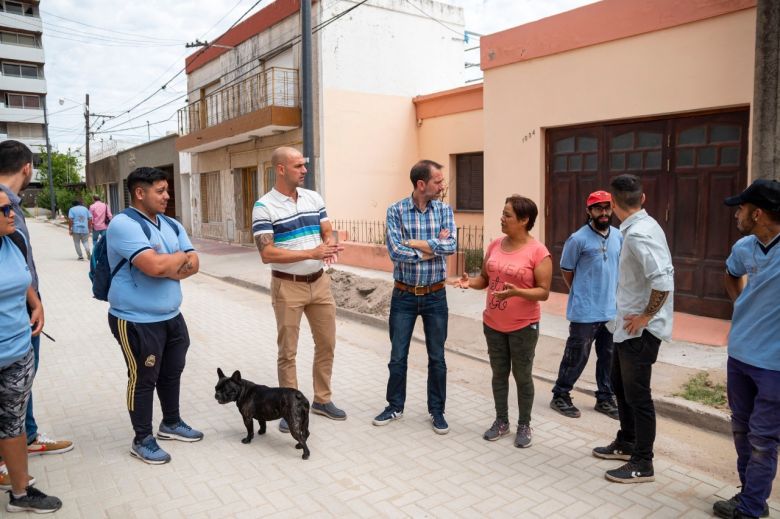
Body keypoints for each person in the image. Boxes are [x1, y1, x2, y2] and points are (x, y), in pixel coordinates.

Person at [106, 167, 202, 465]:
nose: (166, 196)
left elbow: (195, 263)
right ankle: (142, 439)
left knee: (172, 371)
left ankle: (170, 423)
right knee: (143, 378)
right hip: (135, 320)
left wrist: (168, 261)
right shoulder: (123, 225)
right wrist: (175, 261)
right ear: (139, 192)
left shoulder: (171, 224)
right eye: (160, 191)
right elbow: (154, 267)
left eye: (166, 190)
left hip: (172, 315)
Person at [252, 147, 346, 433]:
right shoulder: (264, 206)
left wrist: (327, 244)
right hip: (287, 287)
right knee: (288, 352)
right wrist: (311, 251)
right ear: (281, 169)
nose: (304, 170)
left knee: (327, 343)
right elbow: (267, 253)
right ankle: (288, 406)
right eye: (297, 166)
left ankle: (322, 400)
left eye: (304, 165)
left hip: (319, 283)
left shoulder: (313, 198)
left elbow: (326, 228)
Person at [592, 174, 674, 484]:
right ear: (644, 198)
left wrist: (645, 317)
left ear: (612, 205)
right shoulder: (640, 227)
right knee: (619, 384)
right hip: (625, 327)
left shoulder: (640, 234)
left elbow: (662, 280)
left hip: (640, 332)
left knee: (638, 395)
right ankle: (626, 442)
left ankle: (643, 462)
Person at [0, 140, 73, 483]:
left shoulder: (11, 206)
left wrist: (35, 300)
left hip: (24, 309)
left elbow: (18, 259)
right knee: (12, 388)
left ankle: (26, 439)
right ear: (27, 167)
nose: (9, 215)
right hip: (10, 318)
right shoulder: (3, 203)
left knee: (21, 384)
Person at [453, 195, 551, 447]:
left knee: (522, 376)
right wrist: (469, 282)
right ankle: (501, 421)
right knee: (499, 374)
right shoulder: (495, 245)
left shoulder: (538, 252)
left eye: (507, 215)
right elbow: (485, 279)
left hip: (523, 326)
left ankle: (524, 425)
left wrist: (517, 292)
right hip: (493, 324)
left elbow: (543, 291)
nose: (502, 218)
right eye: (503, 213)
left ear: (524, 220)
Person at [712, 179, 780, 519]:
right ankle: (750, 496)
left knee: (763, 440)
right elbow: (731, 274)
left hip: (774, 367)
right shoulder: (744, 248)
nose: (736, 213)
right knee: (742, 432)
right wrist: (742, 306)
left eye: (741, 208)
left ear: (759, 213)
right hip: (739, 357)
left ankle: (751, 510)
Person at [373, 159, 456, 435]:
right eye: (437, 181)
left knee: (437, 358)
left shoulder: (444, 210)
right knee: (398, 356)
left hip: (436, 296)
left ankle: (437, 411)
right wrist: (433, 247)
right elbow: (396, 252)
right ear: (422, 184)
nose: (442, 185)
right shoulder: (395, 211)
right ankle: (394, 406)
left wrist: (415, 244)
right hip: (404, 296)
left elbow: (451, 245)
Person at [0, 190, 62, 513]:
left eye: (11, 207)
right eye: (4, 209)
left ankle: (21, 493)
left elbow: (24, 278)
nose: (12, 214)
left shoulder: (14, 242)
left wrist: (36, 303)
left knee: (14, 424)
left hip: (18, 353)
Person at [550, 191, 620, 420]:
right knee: (577, 355)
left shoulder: (619, 236)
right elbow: (567, 270)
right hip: (585, 311)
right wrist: (582, 292)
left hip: (610, 310)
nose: (603, 212)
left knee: (608, 357)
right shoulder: (578, 239)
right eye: (598, 208)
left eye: (606, 207)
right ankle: (560, 395)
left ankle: (605, 398)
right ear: (588, 211)